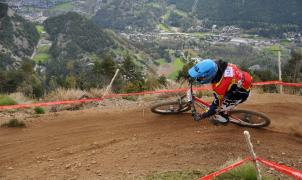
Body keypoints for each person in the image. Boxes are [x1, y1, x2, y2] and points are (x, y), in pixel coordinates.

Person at [188, 59, 252, 125]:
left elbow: (216, 105)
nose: (199, 79)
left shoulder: (220, 86)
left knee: (218, 110)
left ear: (210, 76)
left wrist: (203, 115)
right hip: (245, 78)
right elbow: (201, 68)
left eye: (201, 78)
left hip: (241, 93)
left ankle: (224, 119)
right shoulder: (217, 64)